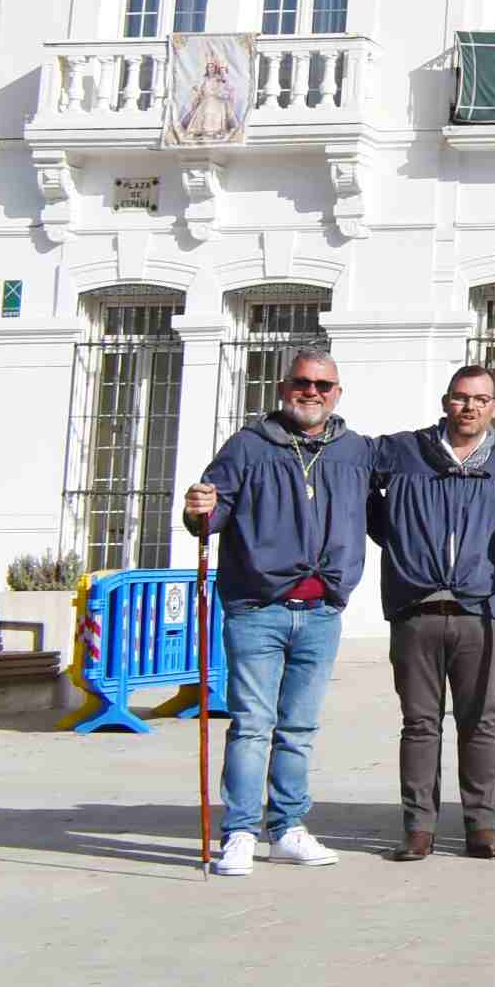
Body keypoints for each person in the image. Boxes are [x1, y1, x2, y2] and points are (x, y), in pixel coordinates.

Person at [179, 348, 373, 877]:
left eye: (323, 386)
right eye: (303, 383)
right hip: (256, 608)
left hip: (321, 610)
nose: (312, 392)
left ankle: (287, 827)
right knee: (251, 725)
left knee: (300, 727)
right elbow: (211, 513)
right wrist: (198, 509)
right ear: (284, 387)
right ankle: (239, 832)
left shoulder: (355, 450)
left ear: (337, 394)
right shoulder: (246, 446)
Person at [368, 362, 495, 860]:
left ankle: (481, 824)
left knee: (479, 722)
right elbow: (352, 483)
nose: (470, 407)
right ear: (445, 401)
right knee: (419, 723)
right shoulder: (402, 452)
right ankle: (418, 826)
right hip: (415, 608)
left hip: (483, 611)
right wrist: (405, 551)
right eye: (462, 397)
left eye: (482, 399)